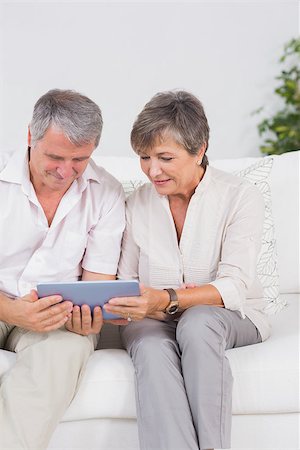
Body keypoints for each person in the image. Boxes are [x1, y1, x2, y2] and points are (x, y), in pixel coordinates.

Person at [104, 90, 271, 450]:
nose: (152, 170)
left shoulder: (239, 196)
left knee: (198, 323)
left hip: (229, 315)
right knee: (148, 345)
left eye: (165, 157)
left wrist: (167, 298)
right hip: (152, 319)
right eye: (144, 157)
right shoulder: (137, 203)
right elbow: (127, 281)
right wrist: (121, 306)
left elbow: (234, 285)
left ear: (199, 150)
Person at [0, 89, 125, 450]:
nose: (65, 171)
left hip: (58, 318)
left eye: (79, 159)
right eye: (55, 156)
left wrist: (89, 318)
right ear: (30, 137)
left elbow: (97, 285)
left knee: (64, 354)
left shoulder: (107, 194)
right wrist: (10, 309)